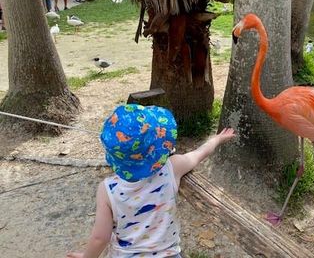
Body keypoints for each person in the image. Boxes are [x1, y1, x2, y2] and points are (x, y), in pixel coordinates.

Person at [66, 104, 236, 258]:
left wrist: (86, 257)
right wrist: (216, 139)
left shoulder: (107, 189)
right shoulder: (172, 168)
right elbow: (198, 154)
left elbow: (99, 238)